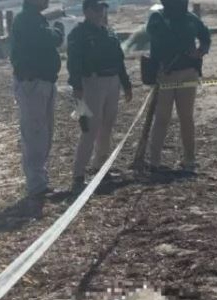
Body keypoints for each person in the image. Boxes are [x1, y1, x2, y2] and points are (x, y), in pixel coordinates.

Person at [67, 0, 133, 194]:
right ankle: (78, 175)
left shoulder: (108, 32)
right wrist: (77, 88)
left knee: (107, 126)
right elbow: (73, 63)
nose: (100, 12)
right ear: (87, 11)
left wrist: (126, 84)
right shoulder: (78, 34)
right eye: (96, 9)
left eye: (103, 8)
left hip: (112, 81)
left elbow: (119, 60)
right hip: (91, 83)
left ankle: (100, 166)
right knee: (89, 128)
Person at [146, 0, 211, 172]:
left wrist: (200, 51)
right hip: (166, 74)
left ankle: (189, 159)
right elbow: (155, 40)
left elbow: (205, 36)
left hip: (188, 73)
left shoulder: (190, 18)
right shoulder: (158, 18)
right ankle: (154, 161)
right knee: (162, 118)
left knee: (186, 118)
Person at [10, 0, 65, 200]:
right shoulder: (26, 20)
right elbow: (47, 39)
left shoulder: (34, 18)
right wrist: (58, 30)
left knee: (44, 133)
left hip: (43, 81)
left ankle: (40, 181)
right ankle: (36, 185)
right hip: (32, 82)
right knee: (35, 133)